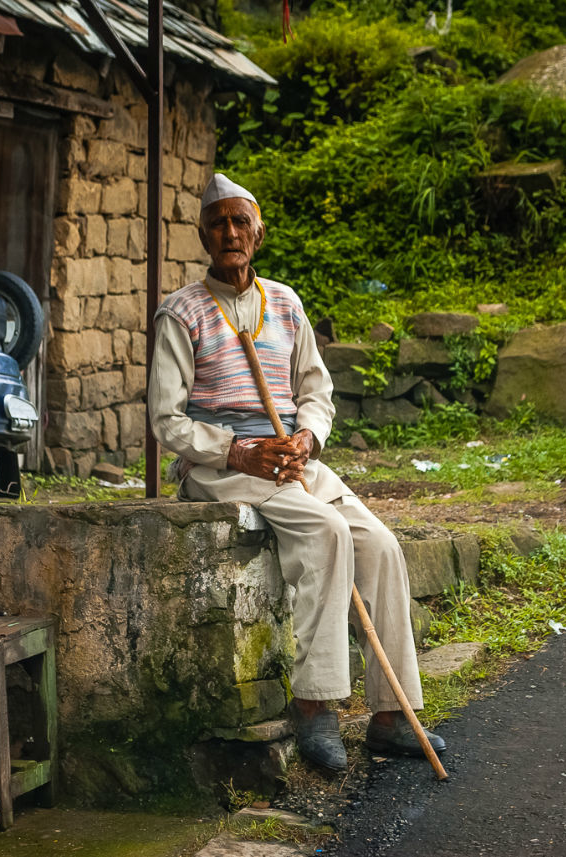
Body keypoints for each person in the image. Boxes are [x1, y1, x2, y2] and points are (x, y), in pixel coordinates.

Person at [147, 174, 447, 773]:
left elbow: (316, 389)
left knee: (382, 547)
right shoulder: (181, 313)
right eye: (218, 224)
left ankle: (391, 717)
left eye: (240, 223)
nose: (229, 233)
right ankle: (315, 706)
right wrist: (237, 451)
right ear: (203, 235)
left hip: (290, 461)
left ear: (258, 232)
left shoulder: (285, 303)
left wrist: (307, 438)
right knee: (327, 535)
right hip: (222, 468)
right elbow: (166, 420)